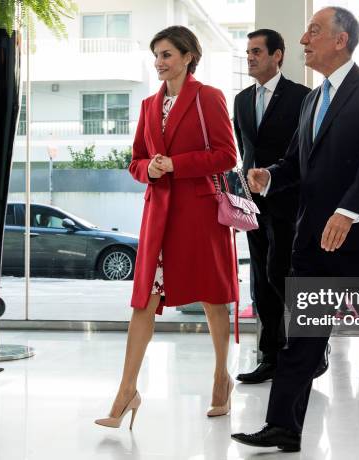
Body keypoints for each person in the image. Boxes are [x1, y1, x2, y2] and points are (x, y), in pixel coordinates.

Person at [231, 7, 359, 452]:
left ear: (341, 40)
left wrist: (348, 211)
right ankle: (282, 426)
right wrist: (271, 177)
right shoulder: (313, 100)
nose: (303, 39)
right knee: (303, 337)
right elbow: (300, 163)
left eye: (313, 31)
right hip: (314, 240)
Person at [95, 26, 238, 429]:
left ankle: (220, 378)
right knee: (144, 301)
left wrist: (178, 163)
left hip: (199, 214)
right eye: (156, 54)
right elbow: (135, 161)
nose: (159, 62)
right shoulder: (146, 105)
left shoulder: (208, 98)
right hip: (158, 214)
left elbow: (227, 155)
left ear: (189, 56)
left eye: (167, 54)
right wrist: (151, 168)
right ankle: (126, 391)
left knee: (212, 297)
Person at [233, 29, 311, 384]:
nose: (250, 57)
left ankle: (308, 348)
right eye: (247, 52)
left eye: (257, 51)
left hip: (289, 200)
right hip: (253, 205)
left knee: (283, 273)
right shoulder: (241, 100)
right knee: (261, 279)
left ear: (277, 55)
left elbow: (306, 155)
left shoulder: (302, 97)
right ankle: (271, 355)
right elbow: (245, 152)